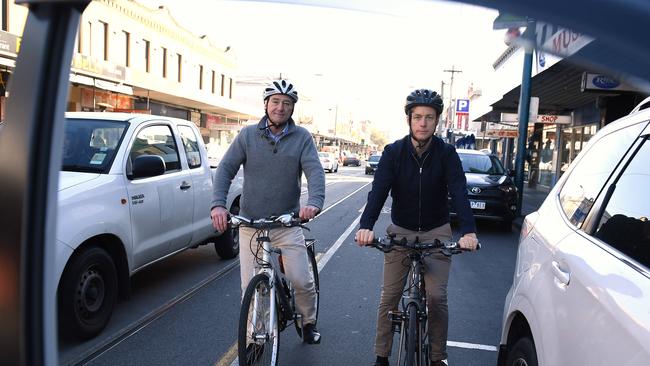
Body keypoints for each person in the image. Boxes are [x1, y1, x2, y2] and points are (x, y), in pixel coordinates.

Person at [355, 89, 479, 366]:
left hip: (437, 232)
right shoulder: (393, 152)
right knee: (389, 297)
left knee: (436, 298)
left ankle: (437, 358)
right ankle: (382, 356)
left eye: (429, 118)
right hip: (401, 231)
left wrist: (468, 232)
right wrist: (366, 226)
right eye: (418, 117)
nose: (423, 123)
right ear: (409, 120)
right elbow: (378, 192)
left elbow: (459, 192)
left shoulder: (447, 154)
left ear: (437, 121)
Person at [210, 79, 325, 345]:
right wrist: (217, 204)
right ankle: (255, 339)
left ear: (292, 108)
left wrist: (314, 202)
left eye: (286, 103)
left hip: (287, 224)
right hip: (251, 223)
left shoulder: (302, 138)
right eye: (275, 102)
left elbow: (315, 171)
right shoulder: (248, 135)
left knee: (301, 280)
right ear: (266, 104)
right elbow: (225, 169)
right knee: (249, 286)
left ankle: (307, 322)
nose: (280, 108)